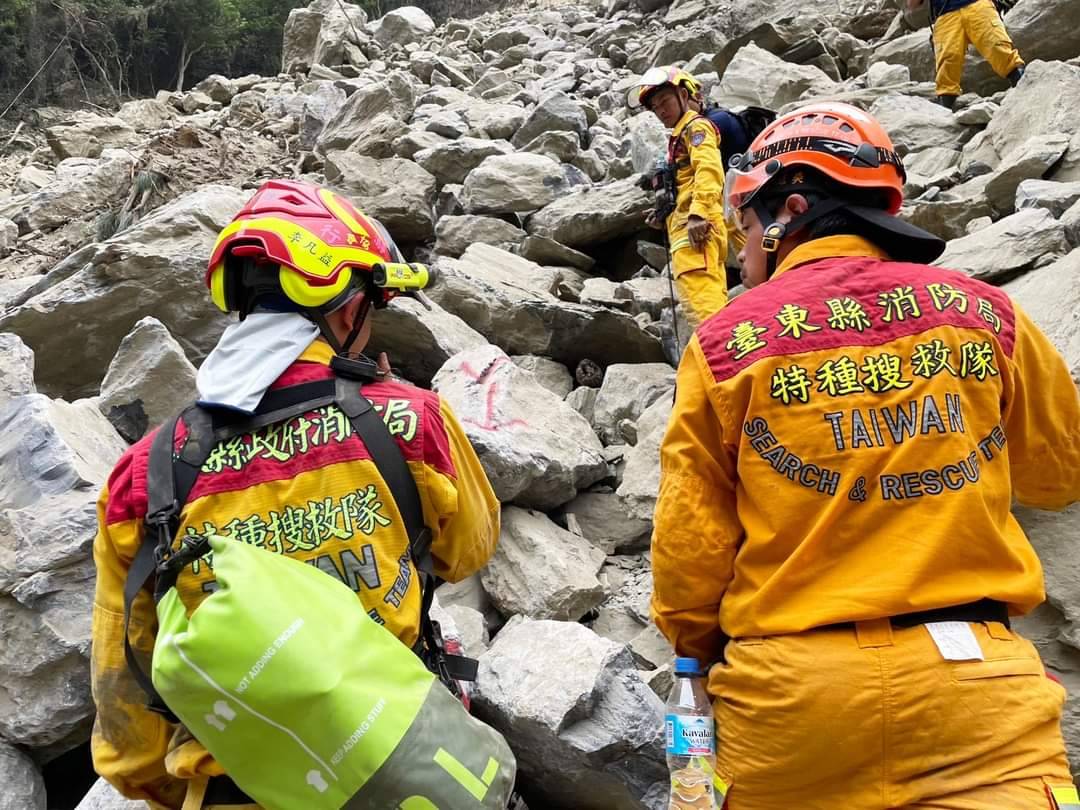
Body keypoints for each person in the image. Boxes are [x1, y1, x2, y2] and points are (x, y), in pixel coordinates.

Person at [651, 101, 1080, 808]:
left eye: (749, 225)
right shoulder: (985, 312)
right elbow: (1057, 473)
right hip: (978, 694)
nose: (743, 248)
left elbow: (690, 549)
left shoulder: (727, 344)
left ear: (792, 208)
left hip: (791, 698)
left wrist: (693, 649)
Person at [90, 179, 501, 810]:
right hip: (394, 760)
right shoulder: (413, 422)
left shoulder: (146, 473)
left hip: (236, 783)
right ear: (345, 309)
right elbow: (467, 550)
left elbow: (126, 670)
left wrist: (157, 782)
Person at [629, 66, 729, 330]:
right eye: (655, 107)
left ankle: (724, 364)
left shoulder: (696, 127)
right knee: (711, 300)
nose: (661, 111)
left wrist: (698, 213)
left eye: (665, 101)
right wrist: (664, 216)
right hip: (691, 225)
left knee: (704, 310)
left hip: (695, 228)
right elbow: (687, 181)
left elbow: (709, 169)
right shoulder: (680, 136)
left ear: (684, 95)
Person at [908, 0, 1025, 108]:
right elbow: (913, 4)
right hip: (946, 15)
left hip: (978, 4)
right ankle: (946, 107)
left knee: (997, 46)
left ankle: (1024, 85)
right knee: (947, 60)